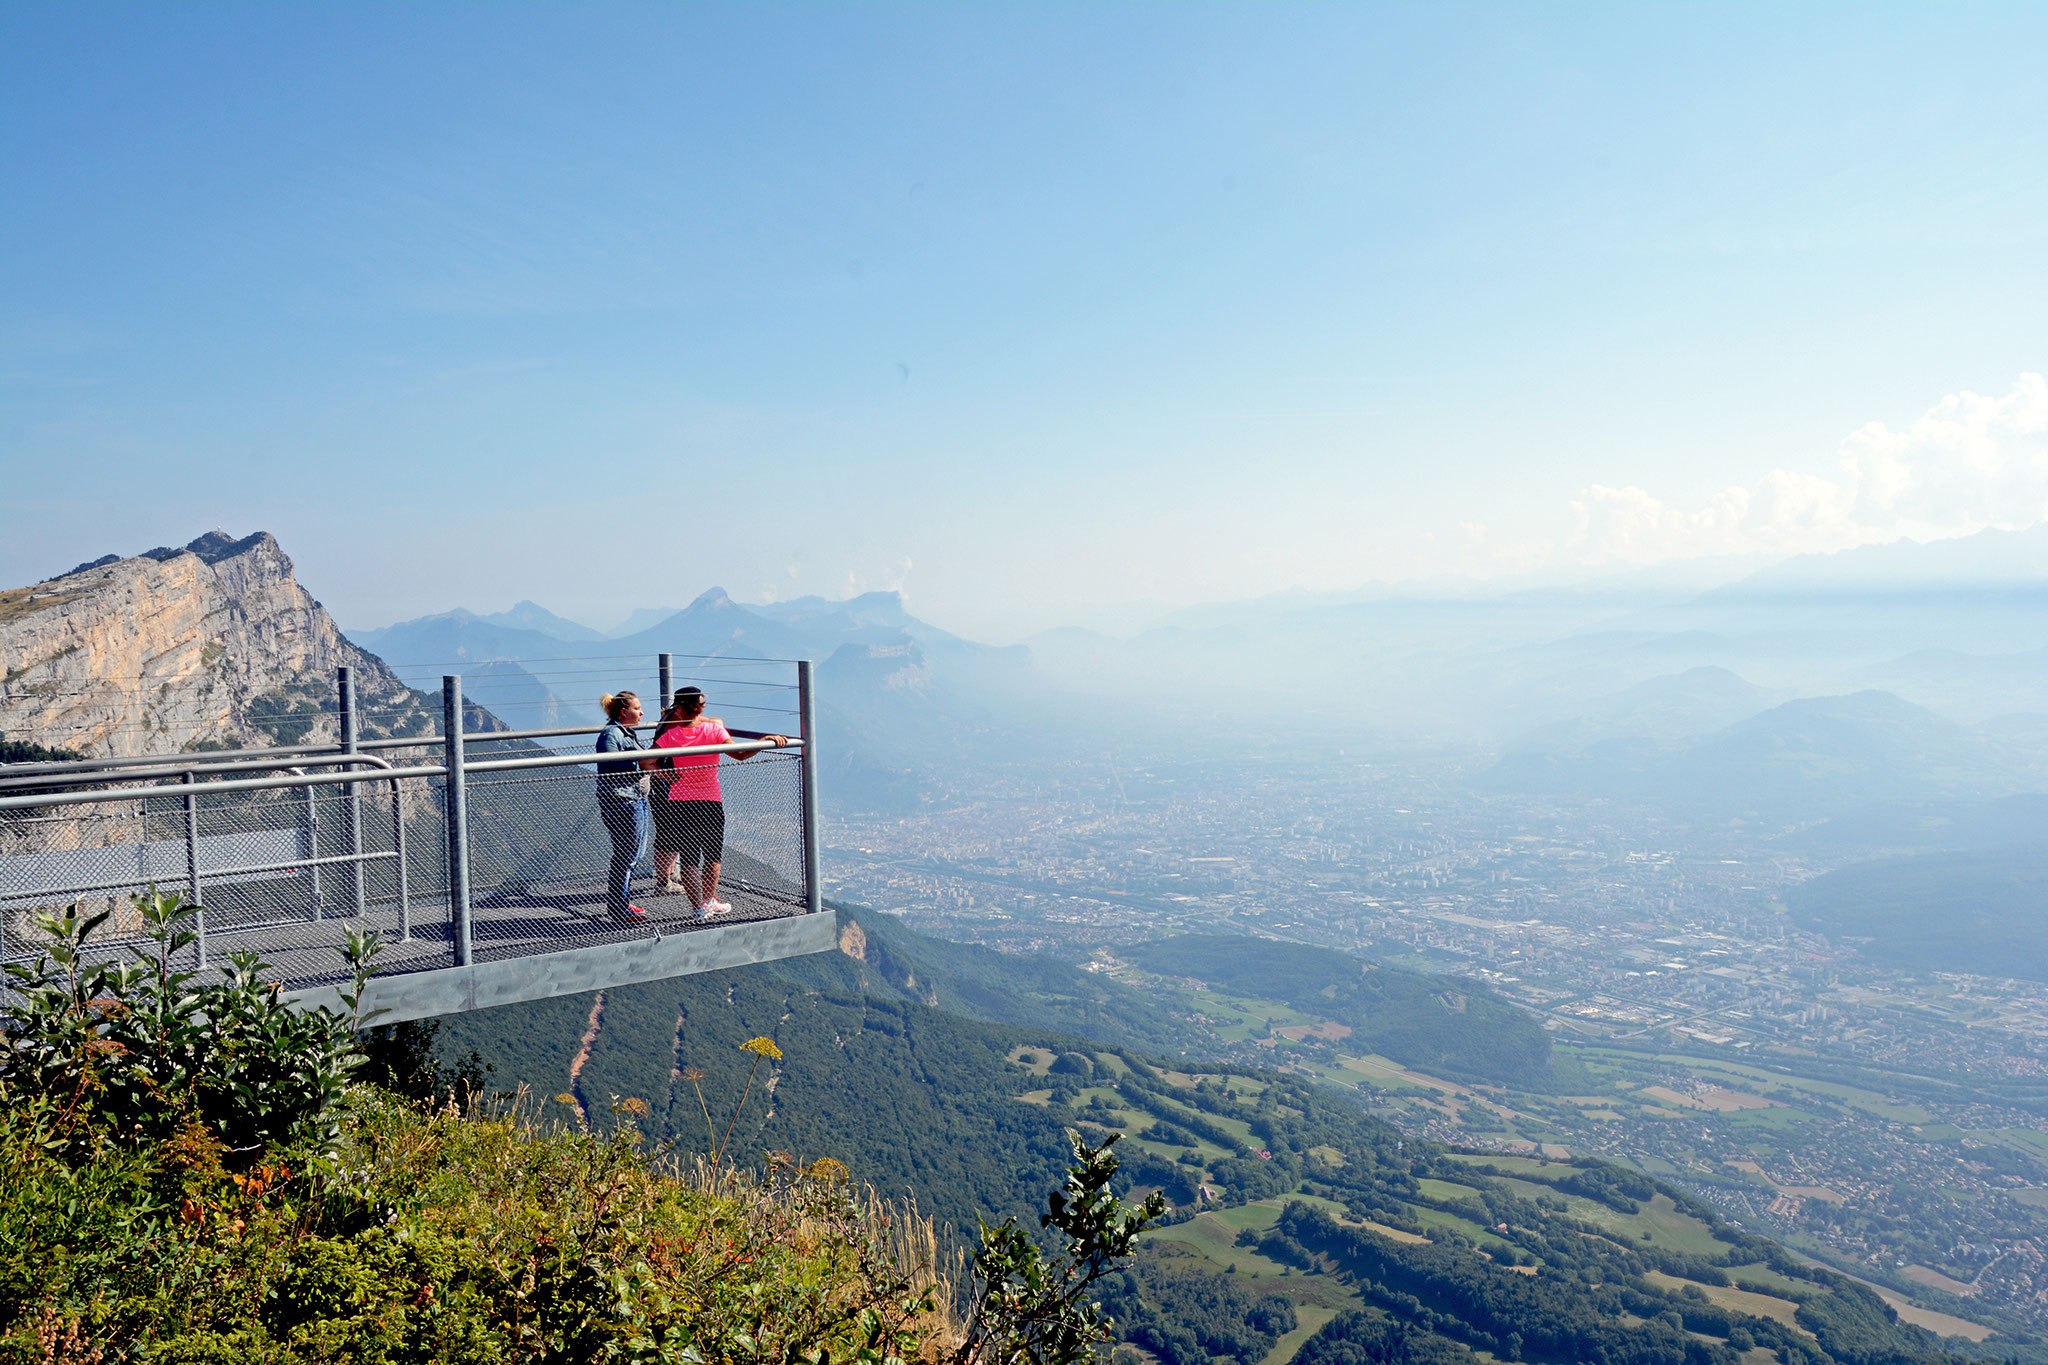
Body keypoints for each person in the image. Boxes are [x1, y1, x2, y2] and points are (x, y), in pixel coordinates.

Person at [653, 686, 789, 919]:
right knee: (712, 856)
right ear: (700, 706)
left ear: (678, 707)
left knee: (688, 858)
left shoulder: (670, 735)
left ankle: (698, 909)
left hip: (679, 801)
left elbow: (647, 761)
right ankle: (710, 901)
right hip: (710, 800)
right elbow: (740, 754)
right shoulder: (714, 729)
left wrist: (665, 775)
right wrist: (763, 741)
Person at [593, 691, 655, 924]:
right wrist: (640, 759)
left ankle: (621, 903)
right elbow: (609, 762)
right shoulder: (612, 734)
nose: (641, 712)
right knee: (627, 854)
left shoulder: (625, 733)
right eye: (637, 708)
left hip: (634, 798)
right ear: (623, 711)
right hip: (622, 801)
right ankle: (619, 909)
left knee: (631, 853)